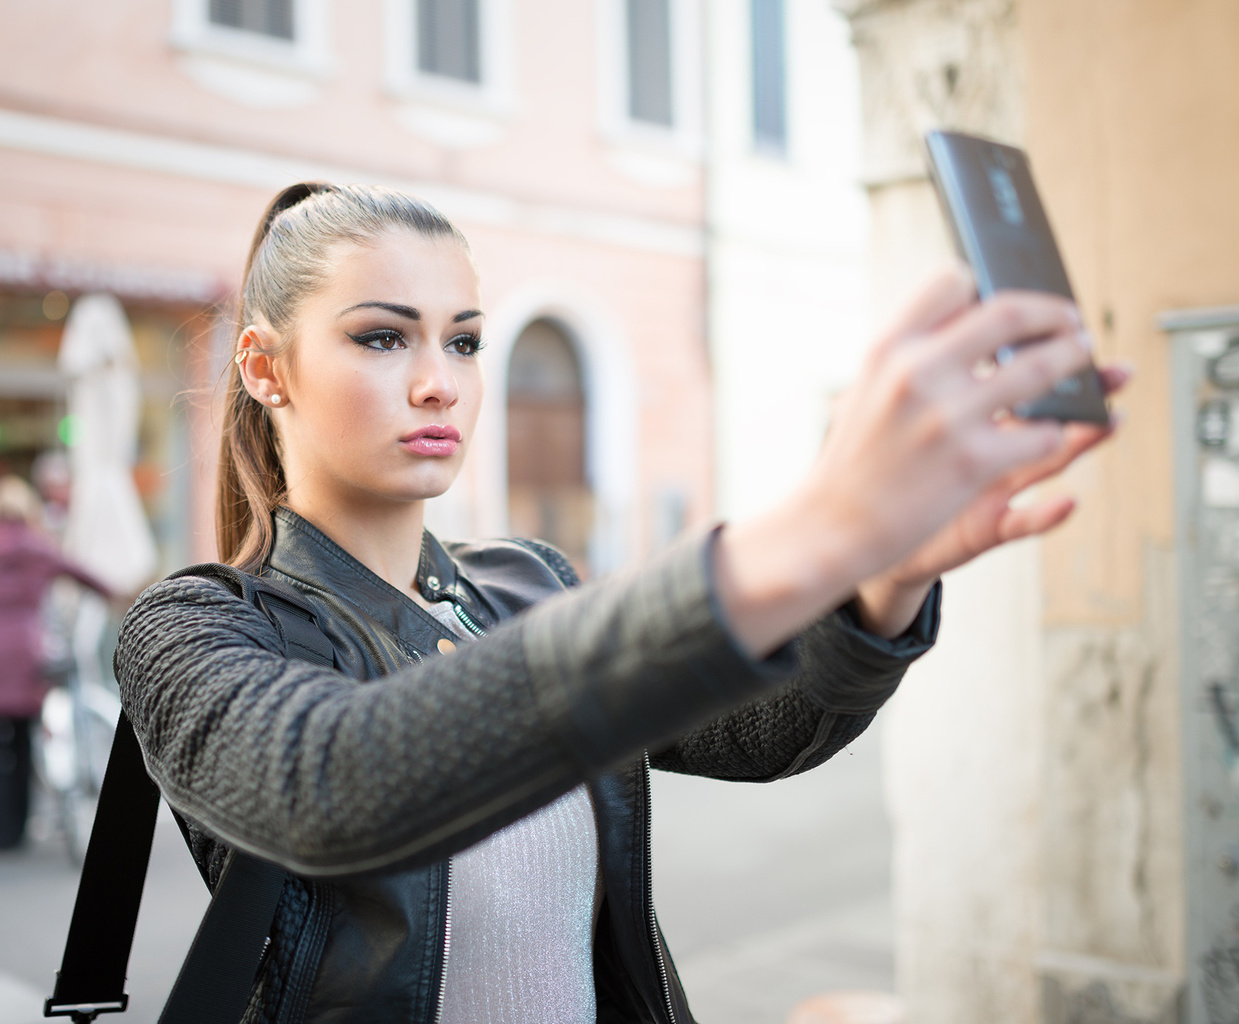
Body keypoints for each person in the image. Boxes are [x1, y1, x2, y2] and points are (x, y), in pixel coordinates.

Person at [113, 182, 1126, 1024]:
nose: (438, 383)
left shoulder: (527, 583)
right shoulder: (193, 627)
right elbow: (331, 779)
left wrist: (880, 579)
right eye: (382, 339)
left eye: (462, 342)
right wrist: (808, 533)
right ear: (262, 365)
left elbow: (763, 731)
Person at [0, 475, 110, 849]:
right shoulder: (37, 546)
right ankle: (16, 827)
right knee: (23, 737)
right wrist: (117, 593)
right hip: (28, 651)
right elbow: (86, 575)